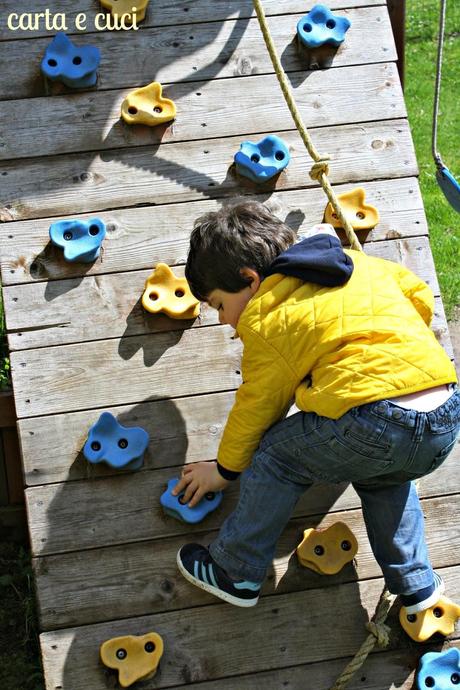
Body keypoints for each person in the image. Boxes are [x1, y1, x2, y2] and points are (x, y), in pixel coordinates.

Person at [173, 199, 460, 611]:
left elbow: (258, 405)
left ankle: (235, 570)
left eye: (219, 304)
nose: (222, 319)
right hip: (443, 414)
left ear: (251, 280)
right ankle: (417, 586)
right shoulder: (356, 264)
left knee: (274, 455)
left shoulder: (268, 316)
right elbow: (416, 293)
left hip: (374, 419)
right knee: (387, 476)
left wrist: (223, 470)